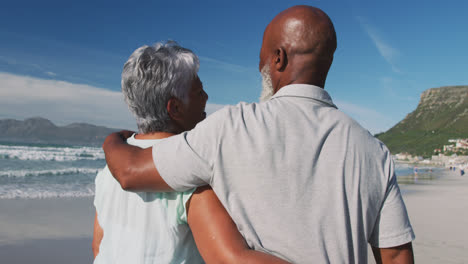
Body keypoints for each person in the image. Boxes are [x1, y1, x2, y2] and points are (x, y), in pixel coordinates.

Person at [103, 6, 415, 263]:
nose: (259, 65)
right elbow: (397, 254)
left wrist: (113, 139)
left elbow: (129, 172)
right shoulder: (374, 151)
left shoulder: (231, 127)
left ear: (279, 58)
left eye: (261, 58)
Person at [92, 41, 290, 264]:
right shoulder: (190, 172)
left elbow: (99, 246)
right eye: (198, 91)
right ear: (175, 108)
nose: (206, 97)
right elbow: (229, 259)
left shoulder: (109, 170)